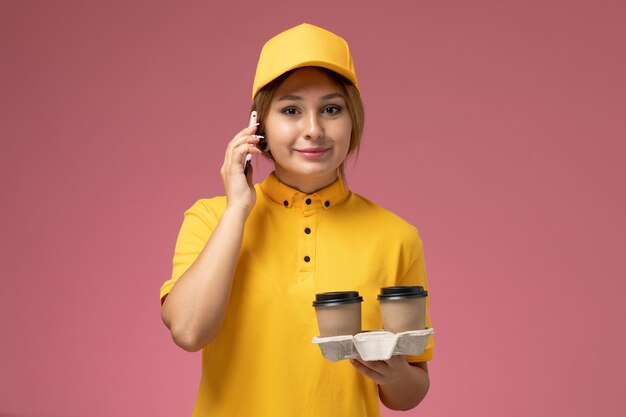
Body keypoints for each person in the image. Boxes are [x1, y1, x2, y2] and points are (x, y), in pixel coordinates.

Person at [160, 23, 434, 416]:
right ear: (259, 127)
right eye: (291, 110)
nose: (313, 129)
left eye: (331, 109)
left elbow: (409, 392)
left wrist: (392, 374)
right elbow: (187, 332)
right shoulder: (211, 219)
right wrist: (238, 209)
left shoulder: (397, 237)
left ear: (352, 120)